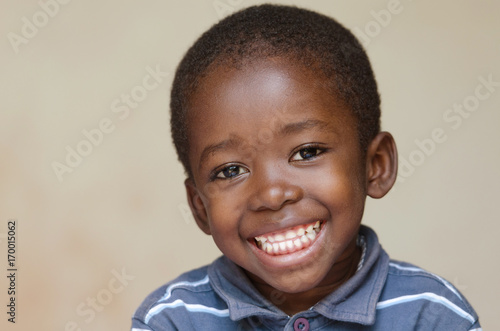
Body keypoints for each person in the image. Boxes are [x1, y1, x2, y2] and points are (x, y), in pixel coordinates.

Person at [131, 4, 481, 330]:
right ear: (199, 207)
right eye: (230, 171)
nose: (271, 194)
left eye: (307, 151)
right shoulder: (173, 319)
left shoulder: (432, 314)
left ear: (375, 165)